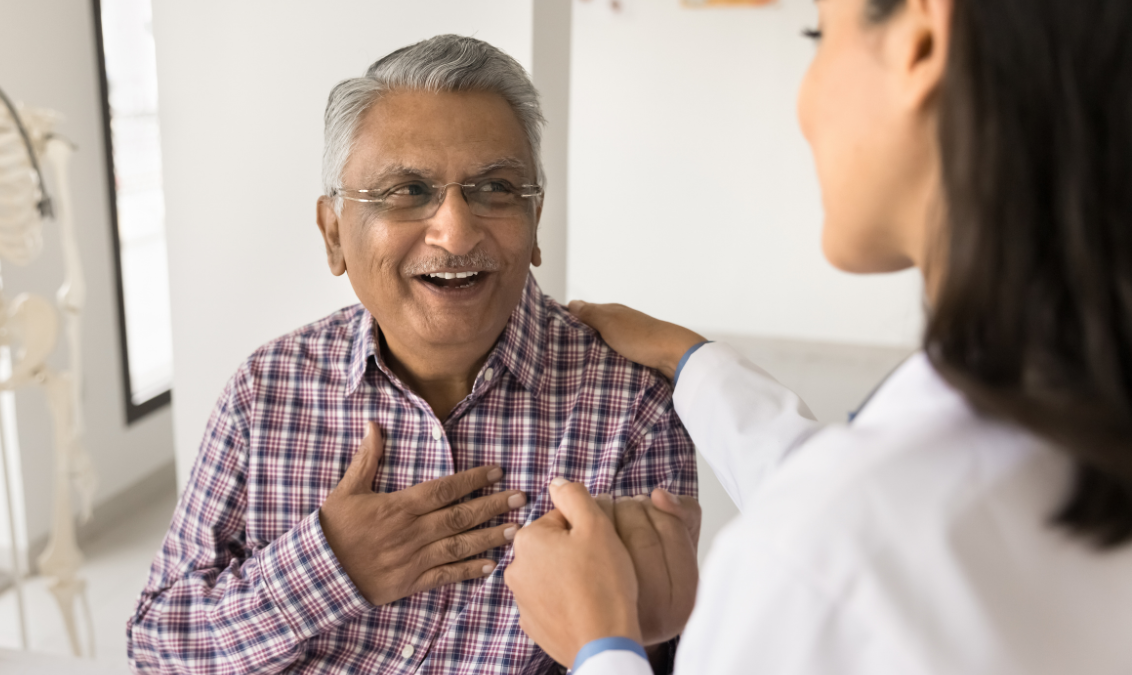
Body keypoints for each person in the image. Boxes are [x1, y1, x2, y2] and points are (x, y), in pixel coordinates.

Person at [504, 0, 1132, 673]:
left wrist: (600, 642)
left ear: (919, 42)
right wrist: (691, 361)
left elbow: (843, 538)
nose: (802, 107)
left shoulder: (827, 551)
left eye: (818, 34)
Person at [126, 36, 697, 675]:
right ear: (334, 232)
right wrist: (329, 566)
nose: (455, 232)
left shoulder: (632, 406)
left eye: (496, 188)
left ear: (536, 220)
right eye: (406, 190)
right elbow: (158, 647)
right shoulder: (269, 389)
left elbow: (649, 651)